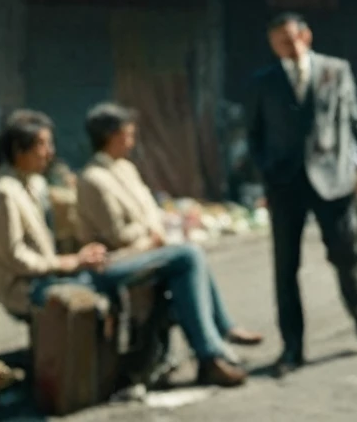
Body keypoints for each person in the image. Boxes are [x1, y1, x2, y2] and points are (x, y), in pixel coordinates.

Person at [0, 111, 248, 386]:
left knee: (182, 267)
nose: (50, 152)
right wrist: (72, 262)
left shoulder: (33, 185)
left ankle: (205, 356)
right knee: (186, 257)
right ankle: (209, 353)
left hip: (61, 274)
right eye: (42, 145)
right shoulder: (3, 194)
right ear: (18, 150)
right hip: (32, 288)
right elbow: (16, 258)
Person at [75, 102, 263, 357]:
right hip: (114, 262)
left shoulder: (125, 168)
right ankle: (210, 348)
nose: (131, 141)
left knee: (189, 260)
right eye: (127, 135)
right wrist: (149, 232)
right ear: (111, 136)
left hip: (144, 248)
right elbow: (117, 235)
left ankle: (222, 331)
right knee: (188, 255)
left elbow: (151, 209)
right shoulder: (93, 179)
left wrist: (152, 229)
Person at [247, 12, 357, 378]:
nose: (285, 48)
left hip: (333, 182)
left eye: (290, 39)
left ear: (306, 35)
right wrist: (266, 174)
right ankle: (292, 347)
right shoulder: (263, 81)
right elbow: (253, 135)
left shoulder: (336, 70)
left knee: (345, 256)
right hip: (285, 186)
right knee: (285, 268)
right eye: (277, 43)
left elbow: (353, 124)